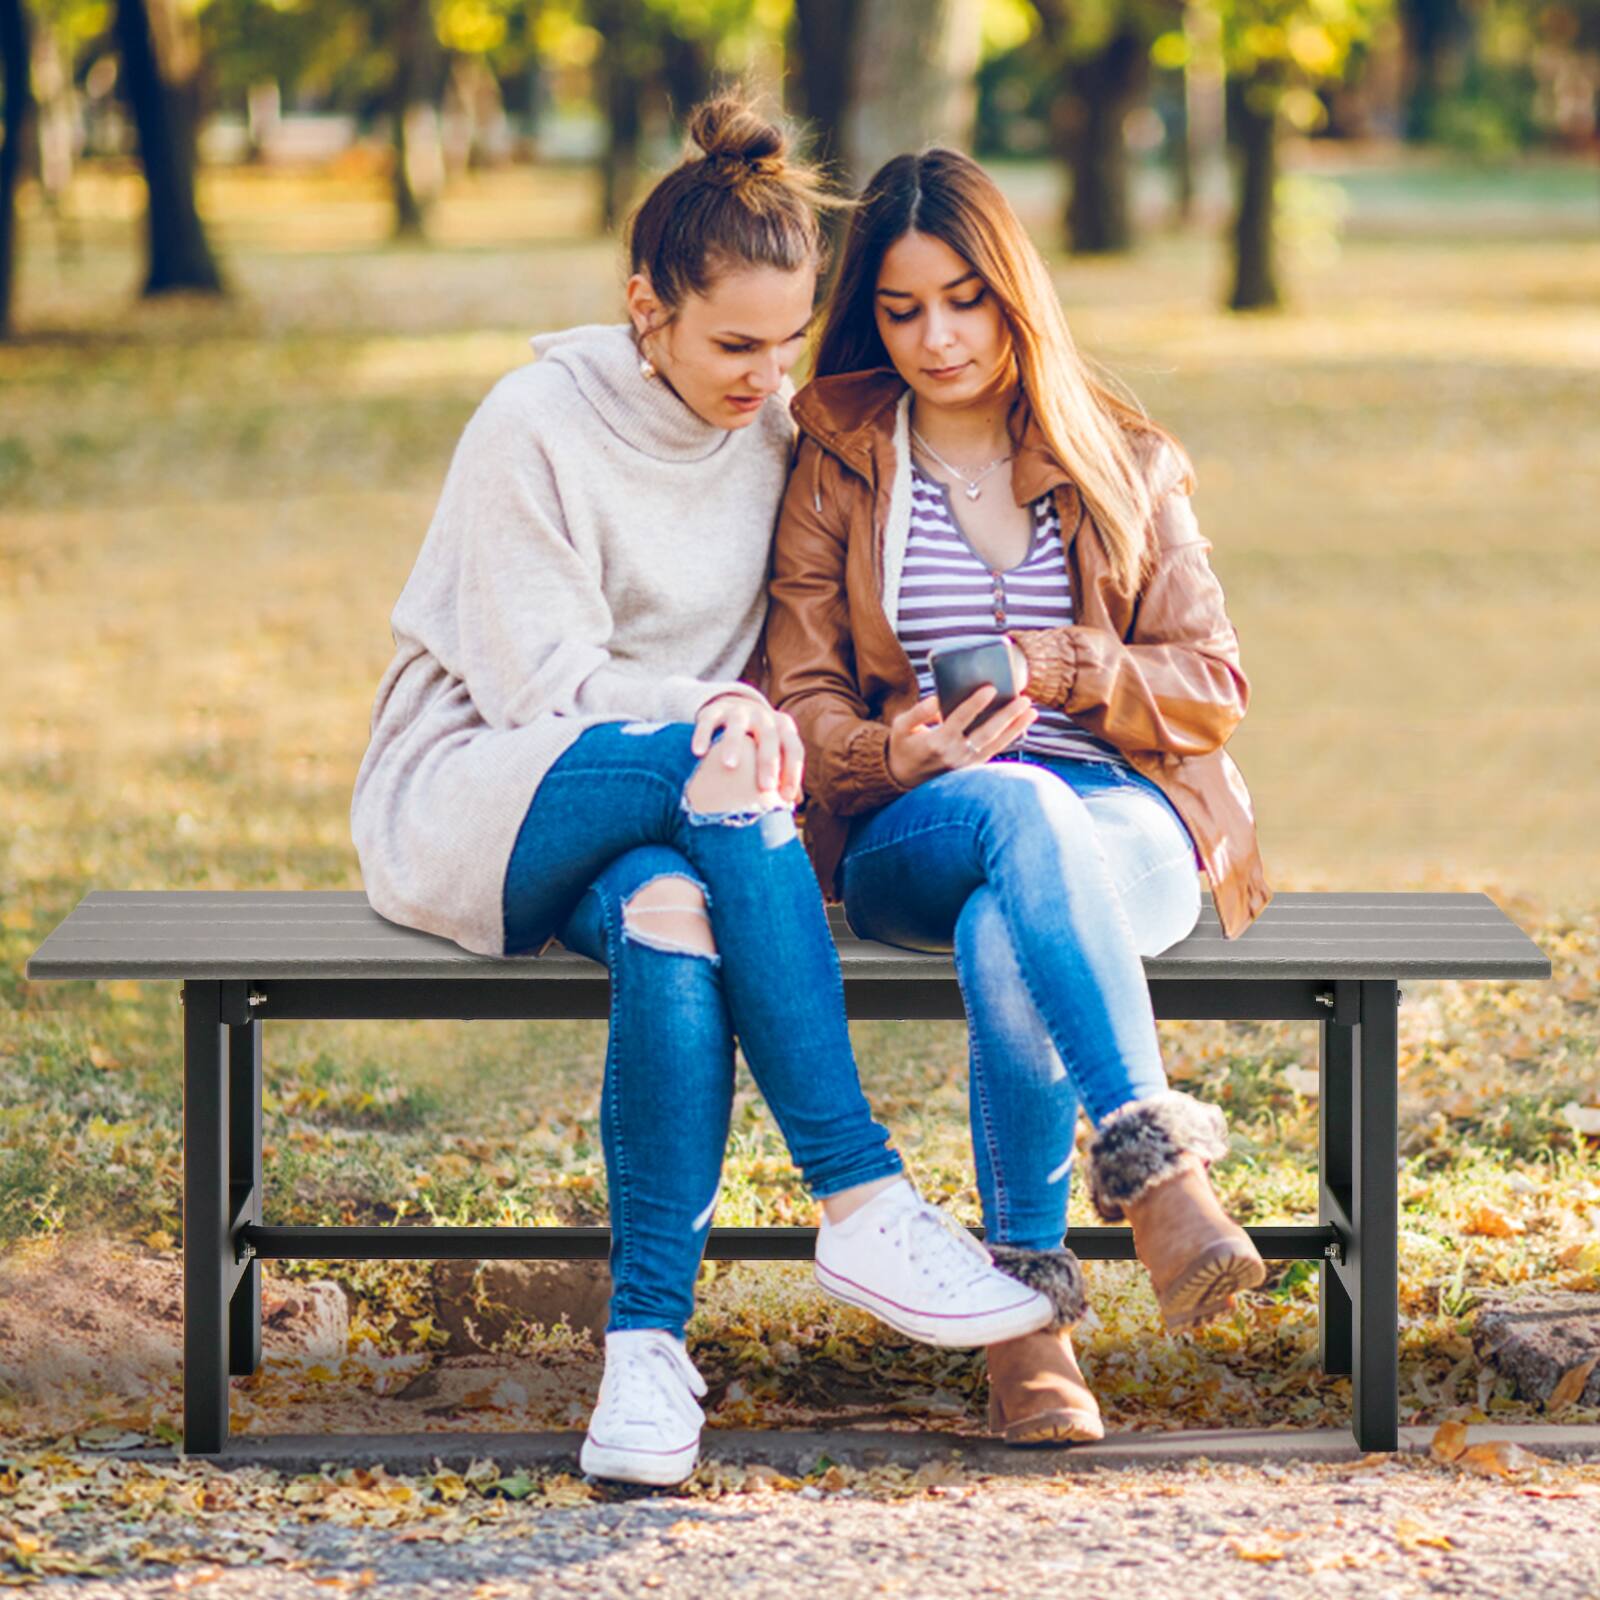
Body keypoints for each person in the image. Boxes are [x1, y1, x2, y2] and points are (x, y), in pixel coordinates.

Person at [350, 104, 1056, 1488]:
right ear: (644, 308)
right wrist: (711, 719)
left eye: (787, 343)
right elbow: (543, 688)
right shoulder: (533, 425)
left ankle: (644, 1360)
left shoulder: (779, 433)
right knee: (716, 769)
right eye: (734, 344)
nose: (765, 378)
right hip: (483, 789)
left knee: (674, 917)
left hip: (692, 810)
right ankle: (858, 1193)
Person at [764, 146, 1274, 1448]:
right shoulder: (838, 457)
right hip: (921, 821)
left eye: (964, 300)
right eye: (900, 308)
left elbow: (1213, 681)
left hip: (1128, 816)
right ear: (869, 315)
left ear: (1013, 294)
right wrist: (897, 754)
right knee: (1013, 821)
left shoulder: (1124, 457)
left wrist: (1070, 668)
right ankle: (1161, 1180)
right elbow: (803, 691)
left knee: (1018, 914)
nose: (936, 338)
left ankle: (1026, 1328)